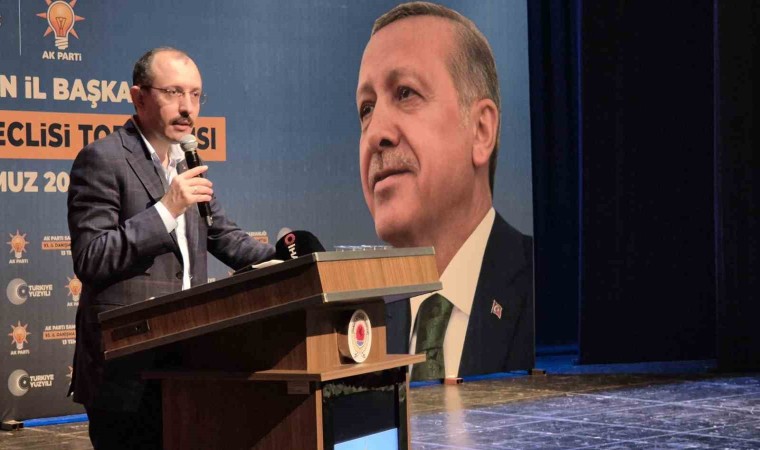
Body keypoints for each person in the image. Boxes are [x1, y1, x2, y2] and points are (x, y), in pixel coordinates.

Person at [67, 47, 274, 448]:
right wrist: (167, 209)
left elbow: (224, 236)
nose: (187, 108)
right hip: (126, 370)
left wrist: (290, 254)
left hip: (187, 363)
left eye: (195, 95)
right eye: (174, 92)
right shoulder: (103, 159)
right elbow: (92, 257)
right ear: (139, 97)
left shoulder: (186, 160)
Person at [356, 2, 534, 380]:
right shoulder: (358, 322)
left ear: (481, 131)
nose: (375, 134)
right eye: (366, 109)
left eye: (405, 93)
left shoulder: (552, 296)